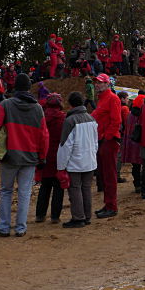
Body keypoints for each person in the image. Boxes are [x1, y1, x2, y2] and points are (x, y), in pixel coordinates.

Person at [0, 74, 49, 237]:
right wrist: (42, 156)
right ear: (29, 88)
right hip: (30, 157)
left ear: (15, 87)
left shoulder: (6, 104)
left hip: (10, 155)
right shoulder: (38, 108)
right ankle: (21, 227)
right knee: (24, 192)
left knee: (6, 191)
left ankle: (4, 227)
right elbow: (44, 135)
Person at [57, 92, 98, 228]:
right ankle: (86, 216)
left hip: (75, 161)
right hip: (90, 160)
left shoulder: (70, 121)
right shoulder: (91, 119)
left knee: (75, 189)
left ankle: (78, 217)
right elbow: (95, 142)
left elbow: (65, 146)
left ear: (70, 104)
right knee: (86, 188)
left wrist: (61, 166)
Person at [90, 74, 122, 218]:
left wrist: (106, 137)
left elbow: (116, 121)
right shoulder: (102, 99)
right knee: (104, 175)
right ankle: (108, 204)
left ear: (107, 84)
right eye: (96, 82)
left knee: (109, 175)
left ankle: (112, 206)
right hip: (102, 140)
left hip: (108, 141)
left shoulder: (112, 98)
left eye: (100, 82)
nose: (97, 84)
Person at [35, 93, 66, 224]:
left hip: (45, 155)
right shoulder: (64, 118)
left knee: (45, 186)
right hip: (59, 155)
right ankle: (55, 216)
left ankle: (40, 215)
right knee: (58, 187)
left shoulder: (40, 117)